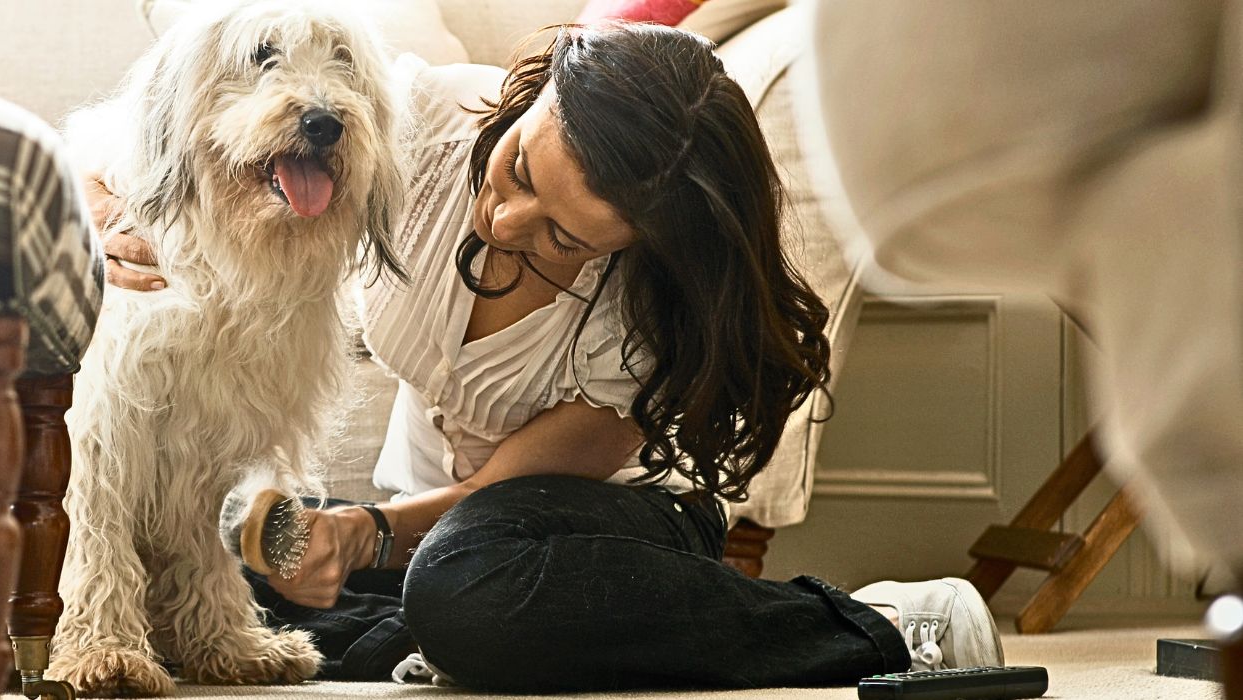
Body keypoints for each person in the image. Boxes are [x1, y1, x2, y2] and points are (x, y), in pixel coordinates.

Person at [88, 22, 1000, 693]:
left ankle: (878, 621)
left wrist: (363, 533)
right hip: (425, 527)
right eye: (522, 168)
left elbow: (502, 495)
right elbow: (179, 117)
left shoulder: (644, 312)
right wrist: (92, 203)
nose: (506, 219)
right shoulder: (423, 121)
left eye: (564, 235)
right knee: (234, 551)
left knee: (462, 584)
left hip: (585, 528)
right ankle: (456, 640)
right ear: (529, 107)